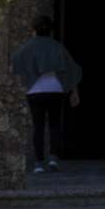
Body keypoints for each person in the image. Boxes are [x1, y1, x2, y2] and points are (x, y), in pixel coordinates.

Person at [12, 15, 82, 174]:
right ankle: (53, 159)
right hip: (55, 89)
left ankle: (38, 163)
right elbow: (72, 68)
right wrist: (74, 92)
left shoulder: (27, 47)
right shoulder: (57, 46)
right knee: (54, 125)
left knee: (38, 126)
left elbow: (14, 62)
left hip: (34, 91)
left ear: (34, 30)